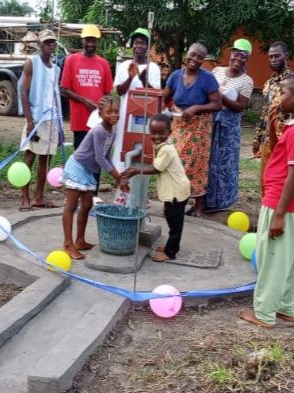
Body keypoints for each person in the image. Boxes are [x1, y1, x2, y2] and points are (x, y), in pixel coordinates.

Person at [238, 72, 294, 329]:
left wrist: (280, 214)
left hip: (283, 204)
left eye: (282, 93)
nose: (278, 97)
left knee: (272, 259)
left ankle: (264, 313)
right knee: (293, 259)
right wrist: (275, 130)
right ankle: (286, 307)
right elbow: (281, 156)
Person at [60, 96, 123, 260]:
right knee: (71, 206)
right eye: (109, 112)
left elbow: (106, 155)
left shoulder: (112, 132)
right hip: (77, 167)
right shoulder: (98, 130)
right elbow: (99, 158)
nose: (113, 115)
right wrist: (117, 176)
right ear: (100, 113)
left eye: (116, 111)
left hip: (88, 171)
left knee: (87, 205)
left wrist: (118, 175)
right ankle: (68, 244)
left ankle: (80, 240)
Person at [164, 42, 221, 217]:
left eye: (199, 57)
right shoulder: (175, 76)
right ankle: (172, 199)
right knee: (174, 161)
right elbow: (164, 97)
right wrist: (172, 108)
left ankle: (197, 206)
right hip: (179, 124)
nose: (194, 59)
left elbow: (217, 104)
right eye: (192, 54)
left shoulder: (207, 78)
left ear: (203, 60)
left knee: (197, 165)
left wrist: (196, 108)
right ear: (186, 54)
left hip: (199, 127)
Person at [123, 114, 190, 262]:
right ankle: (170, 247)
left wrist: (136, 170)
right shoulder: (161, 145)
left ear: (169, 132)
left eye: (161, 133)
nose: (156, 136)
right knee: (170, 217)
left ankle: (170, 252)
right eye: (153, 132)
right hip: (174, 191)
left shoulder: (167, 149)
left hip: (176, 192)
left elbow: (156, 169)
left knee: (175, 224)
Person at [60, 24, 113, 204]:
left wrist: (105, 112)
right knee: (81, 159)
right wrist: (84, 100)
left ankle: (93, 195)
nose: (90, 43)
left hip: (98, 123)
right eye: (87, 39)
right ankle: (78, 193)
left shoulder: (103, 63)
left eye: (93, 40)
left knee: (98, 157)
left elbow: (107, 93)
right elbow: (64, 89)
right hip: (80, 120)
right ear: (82, 40)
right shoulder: (71, 60)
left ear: (97, 42)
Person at [204, 38, 254, 211]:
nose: (238, 58)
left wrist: (221, 97)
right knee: (207, 160)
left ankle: (221, 203)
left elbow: (240, 106)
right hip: (211, 120)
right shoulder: (217, 70)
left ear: (247, 59)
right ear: (230, 53)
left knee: (225, 164)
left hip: (228, 126)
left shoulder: (247, 81)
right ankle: (203, 200)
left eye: (243, 55)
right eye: (235, 53)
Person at [18, 29, 62, 211]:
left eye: (52, 42)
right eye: (47, 42)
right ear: (40, 44)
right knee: (29, 157)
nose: (50, 45)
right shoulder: (32, 63)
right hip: (35, 120)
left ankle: (38, 197)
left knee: (46, 160)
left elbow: (55, 95)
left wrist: (59, 126)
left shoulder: (56, 68)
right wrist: (30, 122)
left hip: (51, 120)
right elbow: (23, 93)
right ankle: (25, 198)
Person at [112, 27, 161, 171]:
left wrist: (144, 80)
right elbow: (119, 91)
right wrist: (130, 77)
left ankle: (138, 183)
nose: (139, 46)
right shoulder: (124, 66)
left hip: (146, 116)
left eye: (142, 43)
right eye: (136, 43)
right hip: (126, 117)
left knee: (143, 148)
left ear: (148, 47)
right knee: (124, 147)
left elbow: (157, 94)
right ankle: (122, 187)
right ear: (132, 45)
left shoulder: (154, 68)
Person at [252, 41, 291, 196]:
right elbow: (265, 112)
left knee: (281, 180)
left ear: (286, 56)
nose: (273, 59)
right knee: (265, 180)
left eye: (277, 56)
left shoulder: (293, 82)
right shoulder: (268, 83)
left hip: (285, 140)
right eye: (270, 57)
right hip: (268, 140)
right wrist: (257, 138)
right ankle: (267, 213)